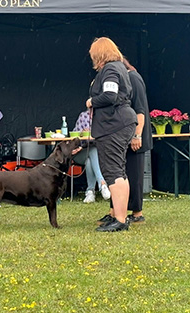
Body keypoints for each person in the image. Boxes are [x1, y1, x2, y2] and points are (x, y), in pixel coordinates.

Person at [86, 37, 137, 232]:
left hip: (113, 124)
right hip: (121, 122)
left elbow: (109, 96)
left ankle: (121, 220)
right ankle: (119, 215)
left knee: (113, 171)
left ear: (99, 54)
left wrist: (91, 101)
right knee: (119, 171)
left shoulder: (110, 69)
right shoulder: (120, 67)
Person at [97, 58, 153, 225]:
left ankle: (137, 213)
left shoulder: (133, 78)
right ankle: (114, 211)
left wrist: (137, 135)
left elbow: (140, 109)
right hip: (120, 134)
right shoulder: (121, 79)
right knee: (117, 173)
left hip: (135, 133)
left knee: (134, 175)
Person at [72, 109, 110, 203]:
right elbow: (74, 136)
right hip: (81, 152)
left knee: (89, 160)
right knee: (92, 150)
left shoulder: (104, 117)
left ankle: (90, 192)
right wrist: (81, 134)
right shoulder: (83, 116)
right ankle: (102, 184)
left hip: (99, 154)